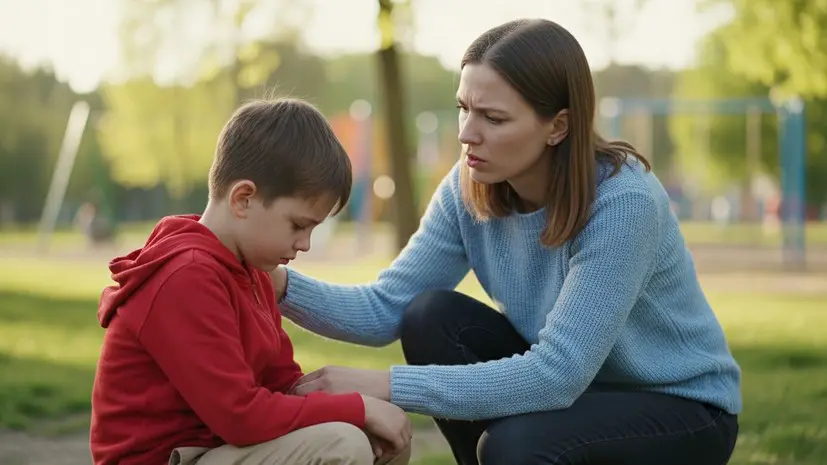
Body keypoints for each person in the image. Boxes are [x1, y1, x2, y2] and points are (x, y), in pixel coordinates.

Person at [270, 19, 741, 465]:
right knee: (429, 316)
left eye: (493, 118)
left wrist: (383, 385)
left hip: (680, 408)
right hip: (577, 393)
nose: (466, 134)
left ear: (558, 126)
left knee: (513, 447)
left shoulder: (622, 203)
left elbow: (557, 376)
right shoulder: (468, 185)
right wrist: (277, 283)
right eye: (464, 108)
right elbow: (385, 309)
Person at [89, 98, 412, 465]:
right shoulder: (186, 277)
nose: (304, 244)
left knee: (377, 439)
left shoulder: (252, 273)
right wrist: (358, 408)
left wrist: (359, 411)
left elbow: (282, 385)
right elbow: (240, 416)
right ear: (243, 199)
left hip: (218, 447)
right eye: (298, 225)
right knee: (343, 444)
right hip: (169, 456)